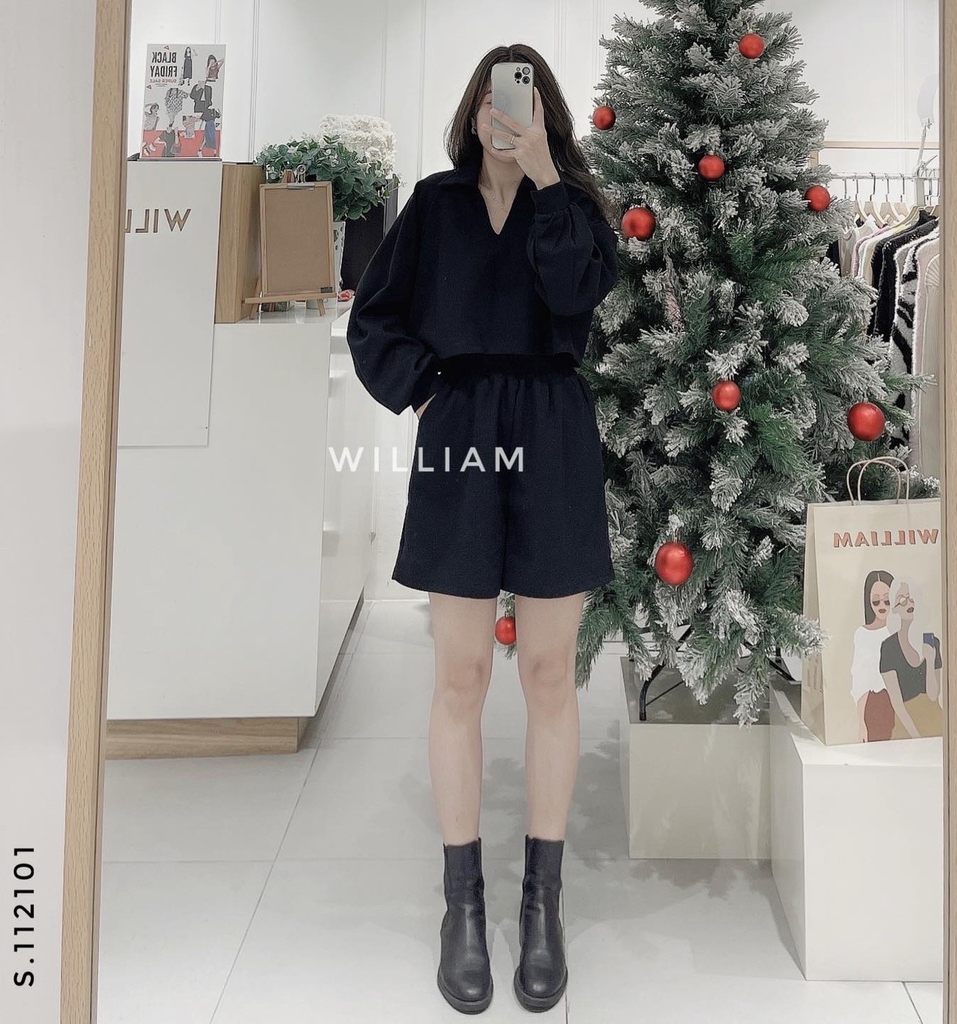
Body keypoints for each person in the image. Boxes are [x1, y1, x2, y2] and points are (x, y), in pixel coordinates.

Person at [345, 44, 618, 1014]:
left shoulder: (573, 206)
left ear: (546, 115)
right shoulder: (433, 206)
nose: (508, 115)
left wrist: (546, 179)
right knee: (459, 675)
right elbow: (374, 319)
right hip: (460, 430)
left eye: (526, 101)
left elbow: (578, 298)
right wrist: (426, 391)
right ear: (473, 112)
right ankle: (462, 903)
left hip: (552, 429)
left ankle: (541, 903)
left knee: (547, 672)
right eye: (497, 101)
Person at [880, 579, 944, 739]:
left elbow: (933, 695)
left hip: (934, 721)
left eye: (911, 597)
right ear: (894, 608)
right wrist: (917, 737)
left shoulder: (932, 642)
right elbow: (897, 705)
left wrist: (930, 661)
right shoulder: (889, 647)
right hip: (906, 726)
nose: (908, 603)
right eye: (902, 600)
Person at [851, 570, 894, 741]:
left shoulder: (901, 631)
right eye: (876, 601)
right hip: (877, 704)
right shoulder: (863, 634)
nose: (882, 605)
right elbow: (861, 681)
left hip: (905, 702)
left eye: (887, 600)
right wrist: (861, 723)